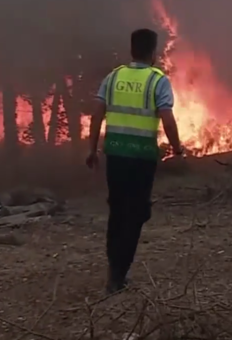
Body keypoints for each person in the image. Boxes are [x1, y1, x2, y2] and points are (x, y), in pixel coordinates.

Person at [86, 28, 185, 294]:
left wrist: (92, 149)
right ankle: (119, 273)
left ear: (131, 50)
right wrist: (177, 147)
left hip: (115, 155)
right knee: (137, 213)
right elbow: (167, 117)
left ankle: (114, 270)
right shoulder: (157, 80)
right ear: (153, 52)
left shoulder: (113, 77)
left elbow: (97, 116)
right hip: (141, 158)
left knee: (117, 211)